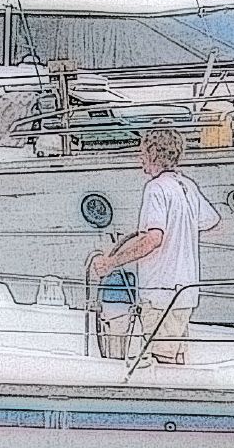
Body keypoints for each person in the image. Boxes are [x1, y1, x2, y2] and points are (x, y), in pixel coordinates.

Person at [88, 127, 222, 364]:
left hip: (162, 291)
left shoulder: (156, 188)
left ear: (152, 153)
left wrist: (111, 262)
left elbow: (153, 239)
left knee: (162, 360)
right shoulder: (187, 186)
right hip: (186, 290)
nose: (140, 160)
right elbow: (210, 221)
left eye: (142, 153)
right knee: (175, 357)